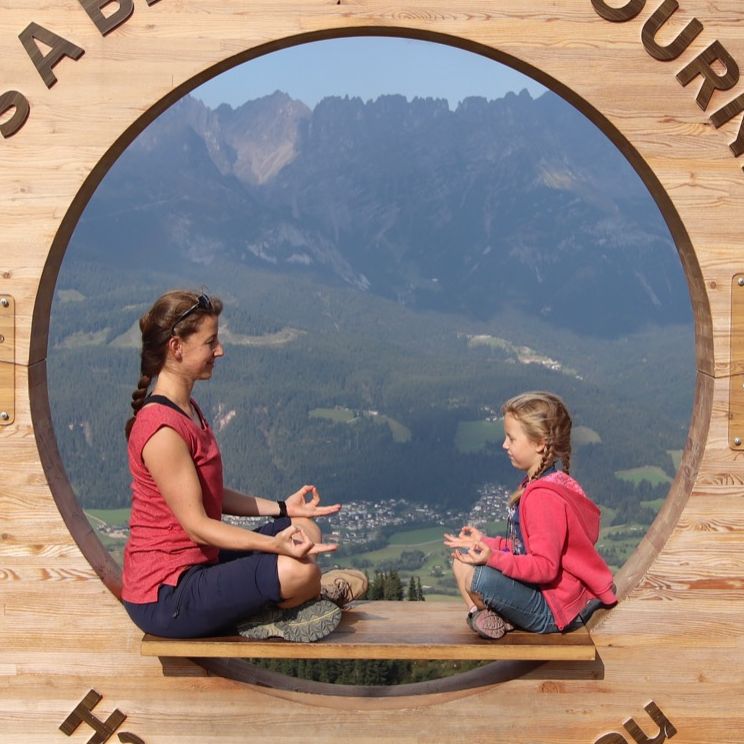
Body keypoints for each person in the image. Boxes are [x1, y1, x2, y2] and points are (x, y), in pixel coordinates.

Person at [121, 289, 366, 641]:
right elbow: (196, 526)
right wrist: (273, 546)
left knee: (303, 528)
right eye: (211, 342)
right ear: (177, 348)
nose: (219, 351)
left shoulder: (186, 409)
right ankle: (278, 607)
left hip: (200, 564)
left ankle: (286, 597)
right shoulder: (161, 429)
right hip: (167, 594)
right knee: (301, 572)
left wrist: (284, 508)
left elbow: (210, 496)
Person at [444, 391, 617, 639]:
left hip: (551, 610)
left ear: (539, 443)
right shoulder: (544, 483)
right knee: (462, 558)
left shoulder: (542, 497)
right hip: (542, 595)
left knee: (477, 577)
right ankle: (481, 615)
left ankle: (488, 616)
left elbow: (544, 568)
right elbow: (523, 549)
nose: (504, 445)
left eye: (511, 439)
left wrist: (492, 558)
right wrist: (482, 543)